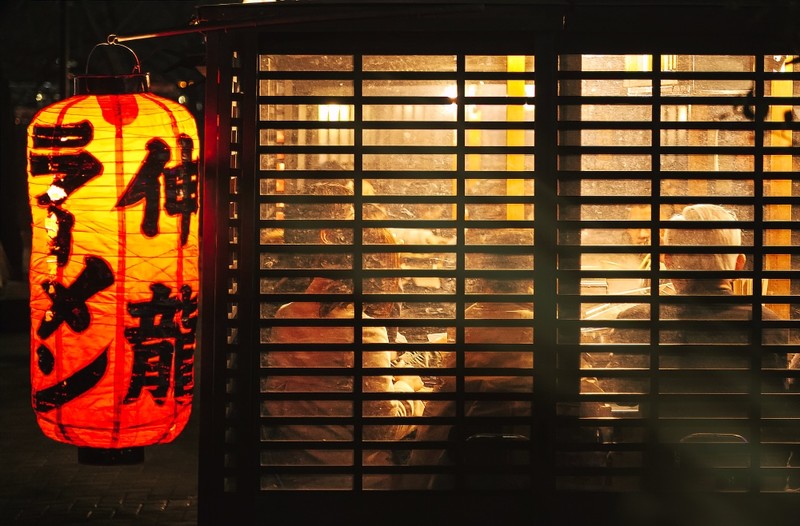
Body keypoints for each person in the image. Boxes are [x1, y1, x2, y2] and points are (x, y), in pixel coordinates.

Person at [610, 203, 796, 491]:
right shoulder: (769, 326)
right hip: (744, 488)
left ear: (669, 261)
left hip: (660, 486)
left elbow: (621, 395)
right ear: (738, 264)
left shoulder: (638, 320)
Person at [262, 181, 426, 490]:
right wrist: (411, 391)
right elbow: (382, 429)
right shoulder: (362, 328)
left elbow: (281, 401)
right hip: (358, 483)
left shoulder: (286, 315)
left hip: (293, 476)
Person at [400, 231, 534, 490]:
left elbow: (448, 400)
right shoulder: (546, 324)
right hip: (532, 472)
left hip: (462, 471)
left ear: (483, 277)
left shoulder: (470, 322)